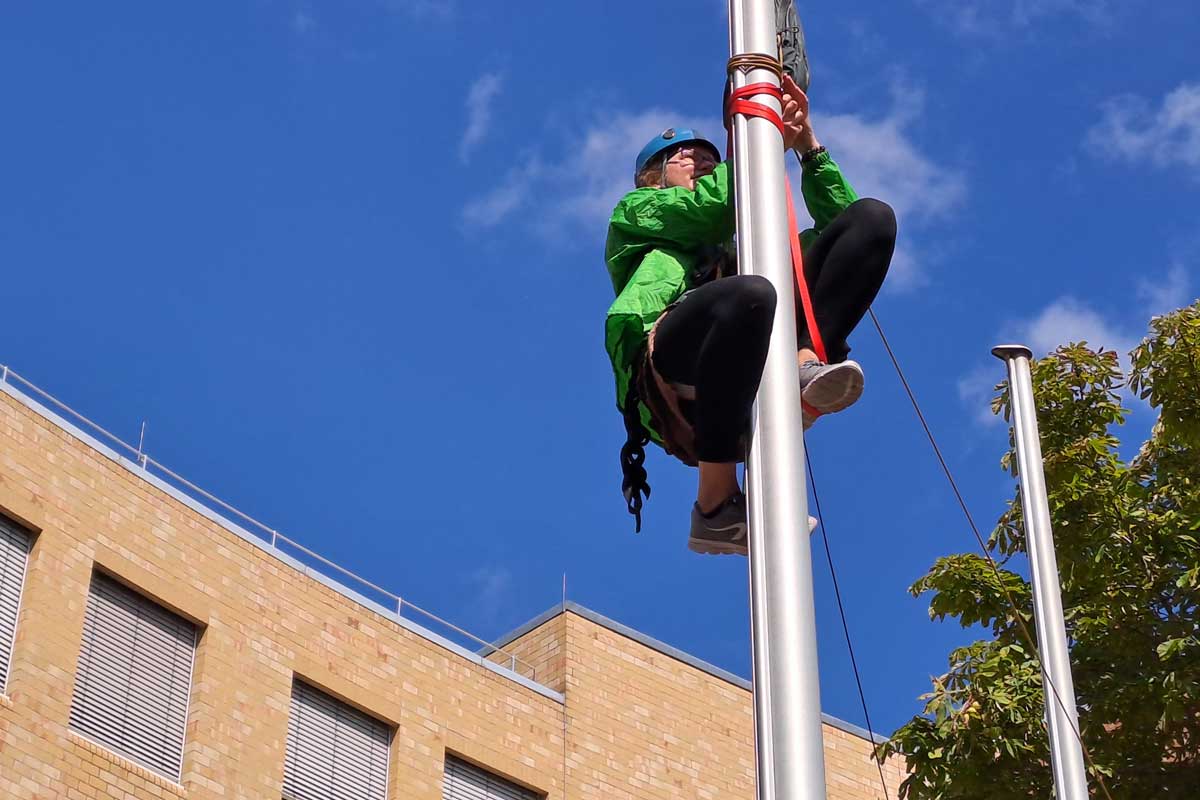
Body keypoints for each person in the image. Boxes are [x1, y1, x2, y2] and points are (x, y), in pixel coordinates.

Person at [604, 74, 896, 555]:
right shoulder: (636, 212)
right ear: (651, 176)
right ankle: (715, 501)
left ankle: (804, 367)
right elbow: (708, 210)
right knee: (750, 294)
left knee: (871, 219)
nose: (701, 160)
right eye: (683, 156)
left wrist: (807, 147)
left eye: (709, 157)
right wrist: (760, 140)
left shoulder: (746, 255)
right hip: (667, 362)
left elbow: (841, 226)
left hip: (742, 344)